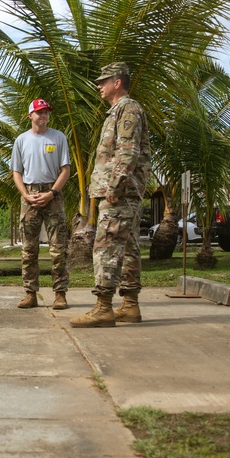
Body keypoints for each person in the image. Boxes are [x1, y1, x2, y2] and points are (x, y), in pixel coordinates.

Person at [71, 62, 151, 328]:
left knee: (105, 246)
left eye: (104, 81)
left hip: (120, 193)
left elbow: (127, 152)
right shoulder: (119, 111)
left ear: (118, 82)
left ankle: (103, 307)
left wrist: (114, 188)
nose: (99, 86)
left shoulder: (127, 109)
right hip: (125, 192)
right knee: (128, 248)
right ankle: (130, 305)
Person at [10, 98, 71, 310]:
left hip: (53, 195)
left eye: (46, 112)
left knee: (58, 248)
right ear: (30, 116)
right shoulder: (21, 140)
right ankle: (30, 293)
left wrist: (53, 192)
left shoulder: (58, 137)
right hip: (30, 195)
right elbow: (16, 172)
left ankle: (60, 294)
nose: (43, 115)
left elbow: (65, 170)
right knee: (29, 249)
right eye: (39, 112)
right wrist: (26, 195)